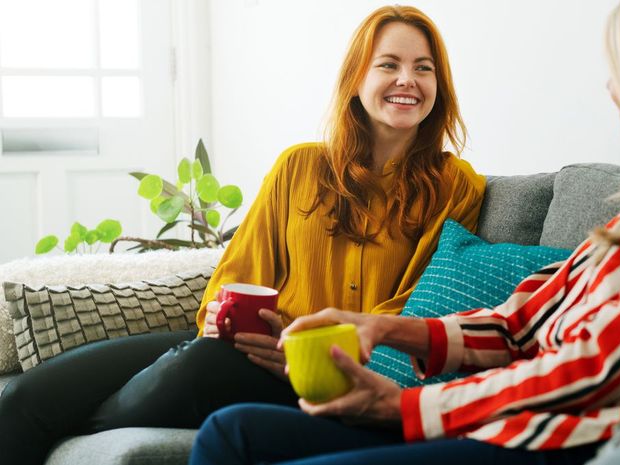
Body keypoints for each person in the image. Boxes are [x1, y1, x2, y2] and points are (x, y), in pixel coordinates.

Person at [188, 0, 620, 464]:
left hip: (569, 437)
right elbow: (521, 323)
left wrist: (402, 407)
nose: (608, 85)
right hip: (515, 423)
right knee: (231, 433)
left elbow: (602, 367)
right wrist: (384, 329)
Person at [0, 6, 485, 465]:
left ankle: (67, 431)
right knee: (23, 394)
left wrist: (306, 347)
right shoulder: (300, 166)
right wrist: (219, 314)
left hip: (316, 372)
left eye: (424, 68)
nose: (407, 80)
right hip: (247, 348)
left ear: (438, 86)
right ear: (357, 79)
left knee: (196, 369)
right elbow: (239, 270)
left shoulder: (455, 185)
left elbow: (417, 305)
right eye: (389, 65)